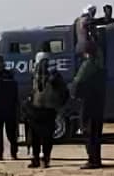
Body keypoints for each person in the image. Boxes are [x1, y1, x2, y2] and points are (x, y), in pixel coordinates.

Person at [26, 52, 69, 168]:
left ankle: (43, 158)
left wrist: (59, 106)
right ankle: (38, 158)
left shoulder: (54, 76)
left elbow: (64, 92)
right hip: (38, 109)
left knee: (44, 137)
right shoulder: (36, 76)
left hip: (46, 109)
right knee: (38, 136)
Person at [72, 40, 106, 169]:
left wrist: (74, 94)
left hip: (88, 103)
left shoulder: (88, 65)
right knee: (96, 132)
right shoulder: (100, 64)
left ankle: (92, 160)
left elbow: (77, 82)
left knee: (88, 131)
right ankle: (96, 159)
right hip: (99, 103)